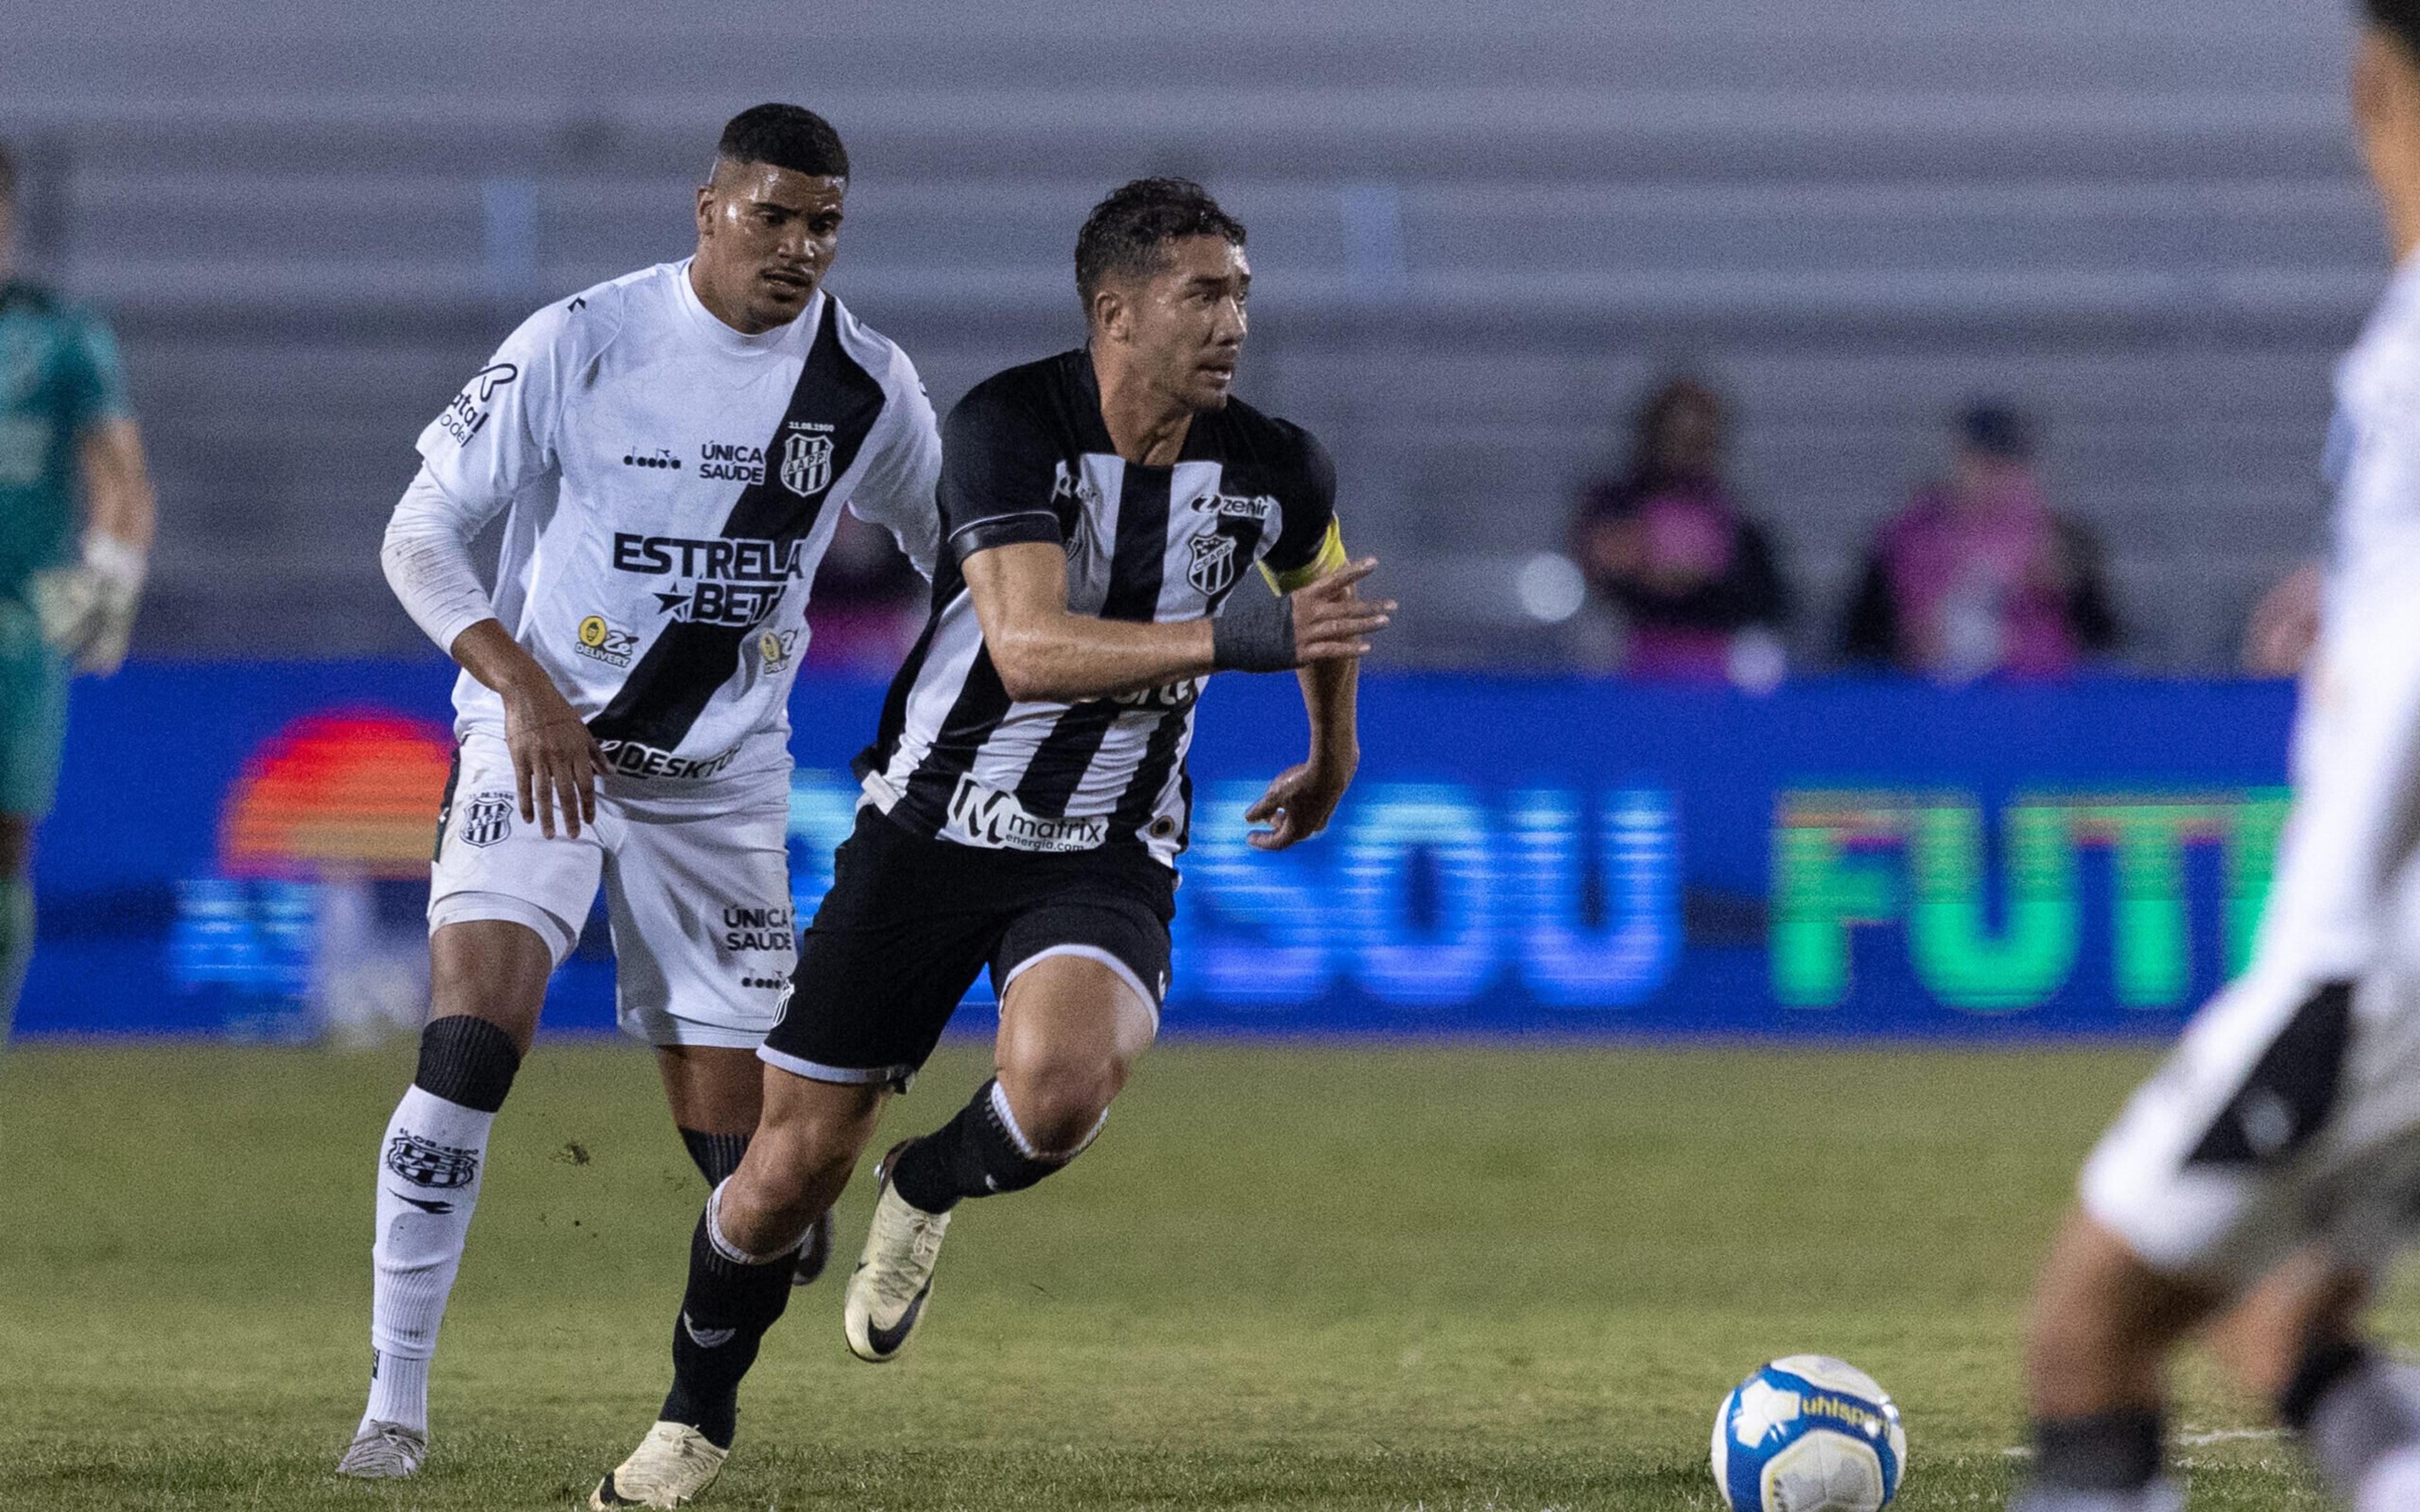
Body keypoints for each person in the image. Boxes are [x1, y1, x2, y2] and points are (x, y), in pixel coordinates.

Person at [587, 176, 1392, 1509]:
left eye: (1241, 291)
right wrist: (1229, 641)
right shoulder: (1010, 427)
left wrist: (1335, 750)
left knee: (1068, 1087)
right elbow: (1023, 649)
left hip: (1108, 840)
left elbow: (1322, 591)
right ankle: (692, 1421)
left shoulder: (1279, 465)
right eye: (1204, 292)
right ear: (1115, 312)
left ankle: (929, 1180)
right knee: (781, 1179)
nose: (1233, 319)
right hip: (927, 832)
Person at [340, 103, 945, 1480]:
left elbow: (959, 565)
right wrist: (520, 687)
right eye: (772, 216)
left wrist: (939, 718)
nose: (799, 249)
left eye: (824, 225)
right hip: (543, 743)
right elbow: (418, 534)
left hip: (721, 790)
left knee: (771, 1204)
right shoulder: (584, 340)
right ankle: (396, 1402)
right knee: (471, 1044)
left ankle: (743, 1299)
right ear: (707, 209)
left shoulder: (865, 387)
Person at [2011, 6, 2420, 1508]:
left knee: (2084, 1337)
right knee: (2287, 1319)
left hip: (2376, 965)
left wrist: (2315, 960)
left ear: (2371, 80)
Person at [0, 139, 156, 1033]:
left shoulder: (60, 336)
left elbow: (119, 474)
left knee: (7, 839)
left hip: (17, 619)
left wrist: (111, 574)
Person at [1839, 401, 2117, 681]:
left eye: (2005, 465)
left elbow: (2103, 639)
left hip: (2034, 697)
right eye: (1981, 462)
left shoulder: (2062, 539)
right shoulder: (1905, 537)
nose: (1993, 477)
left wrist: (2062, 585)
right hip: (1927, 697)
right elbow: (1860, 638)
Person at [1569, 377, 1789, 684]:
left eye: (1700, 441)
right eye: (1676, 438)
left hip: (1713, 647)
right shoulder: (1616, 503)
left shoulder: (1735, 518)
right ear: (1653, 437)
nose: (1687, 453)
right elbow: (1603, 572)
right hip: (1633, 645)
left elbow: (1769, 599)